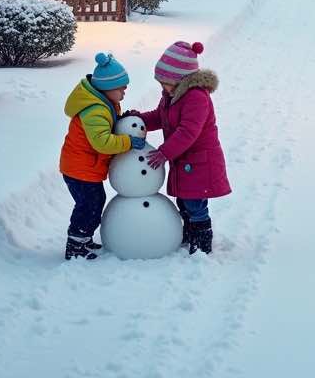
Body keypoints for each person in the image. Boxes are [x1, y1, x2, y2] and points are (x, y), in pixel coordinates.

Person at [132, 41, 231, 254]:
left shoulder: (196, 97)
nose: (161, 87)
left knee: (195, 205)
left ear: (180, 79)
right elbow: (161, 117)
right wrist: (139, 121)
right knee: (184, 201)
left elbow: (188, 131)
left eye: (164, 82)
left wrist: (164, 152)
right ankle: (189, 234)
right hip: (185, 160)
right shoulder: (171, 95)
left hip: (200, 161)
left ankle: (202, 241)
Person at [59, 51, 146, 260]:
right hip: (79, 168)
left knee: (94, 201)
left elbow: (107, 127)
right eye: (121, 88)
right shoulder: (95, 110)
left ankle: (84, 239)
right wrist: (127, 142)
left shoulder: (105, 104)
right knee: (90, 204)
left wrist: (121, 120)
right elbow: (102, 142)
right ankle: (76, 244)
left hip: (85, 167)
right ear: (107, 88)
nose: (125, 91)